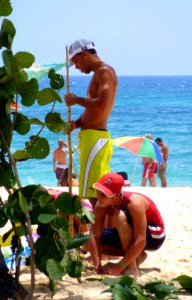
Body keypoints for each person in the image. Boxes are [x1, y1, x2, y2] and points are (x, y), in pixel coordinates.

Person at [64, 39, 117, 208]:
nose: (77, 67)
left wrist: (77, 100)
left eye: (76, 61)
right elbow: (93, 109)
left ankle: (100, 233)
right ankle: (105, 232)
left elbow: (103, 103)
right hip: (93, 137)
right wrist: (78, 123)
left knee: (95, 196)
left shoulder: (104, 72)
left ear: (84, 54)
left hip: (95, 138)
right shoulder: (99, 74)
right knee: (100, 194)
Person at [91, 172, 165, 276]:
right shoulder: (101, 205)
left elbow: (141, 240)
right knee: (88, 241)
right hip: (132, 231)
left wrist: (118, 267)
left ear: (116, 195)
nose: (99, 197)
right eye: (98, 192)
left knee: (120, 216)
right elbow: (96, 235)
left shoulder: (134, 203)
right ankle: (138, 256)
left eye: (104, 195)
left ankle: (132, 267)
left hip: (155, 234)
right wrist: (97, 265)